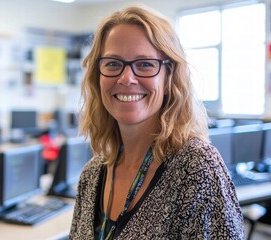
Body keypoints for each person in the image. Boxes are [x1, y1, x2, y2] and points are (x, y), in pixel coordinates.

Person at [69, 4, 244, 239]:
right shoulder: (91, 174)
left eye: (145, 64)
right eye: (112, 63)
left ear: (169, 76)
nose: (126, 78)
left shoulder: (196, 167)